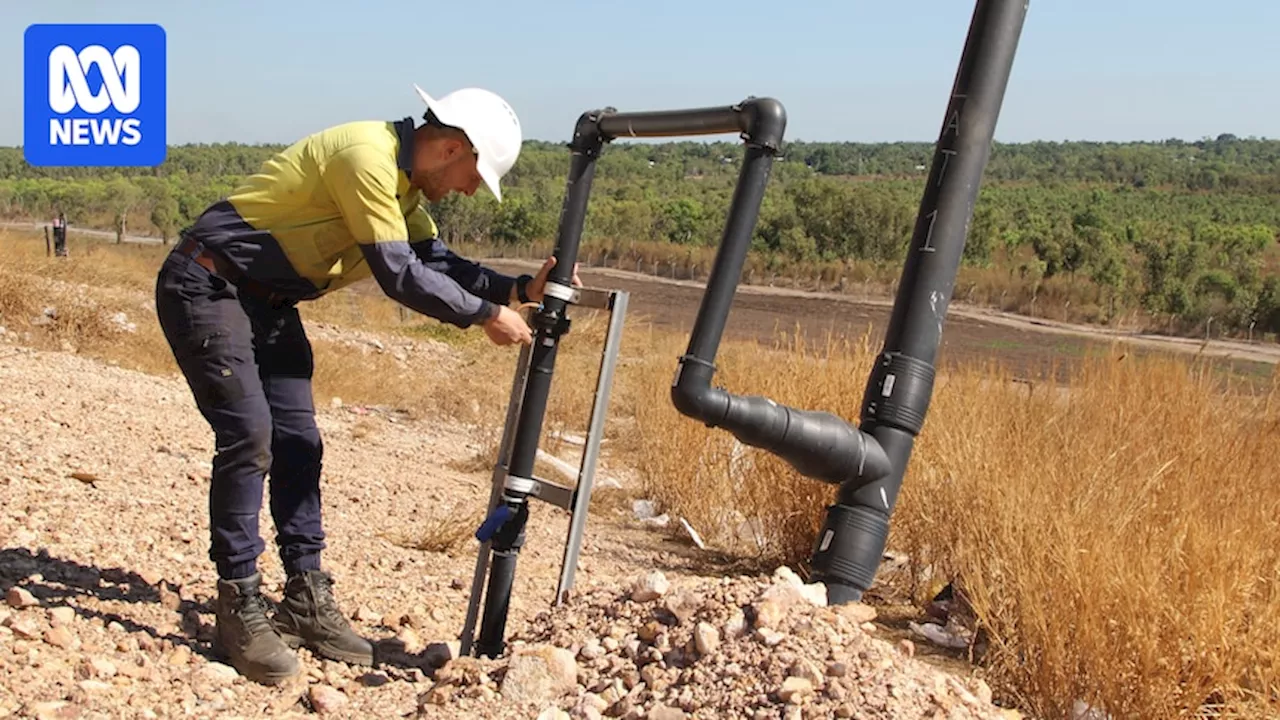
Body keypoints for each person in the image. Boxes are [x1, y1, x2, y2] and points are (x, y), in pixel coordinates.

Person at [153, 84, 579, 685]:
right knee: (250, 436)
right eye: (472, 176)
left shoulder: (404, 191)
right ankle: (238, 605)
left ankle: (304, 598)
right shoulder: (366, 157)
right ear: (453, 147)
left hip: (269, 305)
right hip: (209, 285)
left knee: (299, 442)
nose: (467, 190)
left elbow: (438, 262)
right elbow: (400, 274)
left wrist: (517, 291)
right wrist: (484, 316)